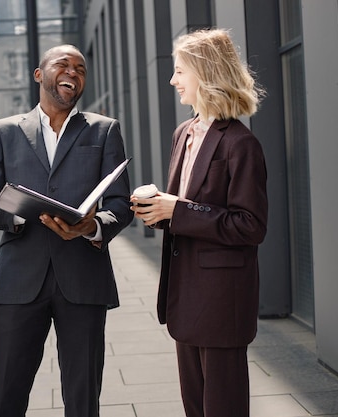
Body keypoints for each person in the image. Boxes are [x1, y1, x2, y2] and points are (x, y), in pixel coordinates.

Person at [0, 44, 133, 417]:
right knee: (6, 394)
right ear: (39, 75)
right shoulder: (4, 132)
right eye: (63, 64)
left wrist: (93, 226)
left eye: (81, 68)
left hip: (83, 278)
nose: (72, 72)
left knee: (83, 398)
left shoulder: (105, 131)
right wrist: (17, 215)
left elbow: (120, 205)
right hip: (19, 280)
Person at [131, 29, 268, 417]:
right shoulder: (183, 133)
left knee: (222, 408)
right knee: (194, 407)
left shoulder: (241, 144)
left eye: (179, 71)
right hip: (184, 293)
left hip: (222, 299)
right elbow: (182, 208)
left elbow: (251, 225)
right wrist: (156, 209)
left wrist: (178, 210)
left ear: (205, 73)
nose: (173, 80)